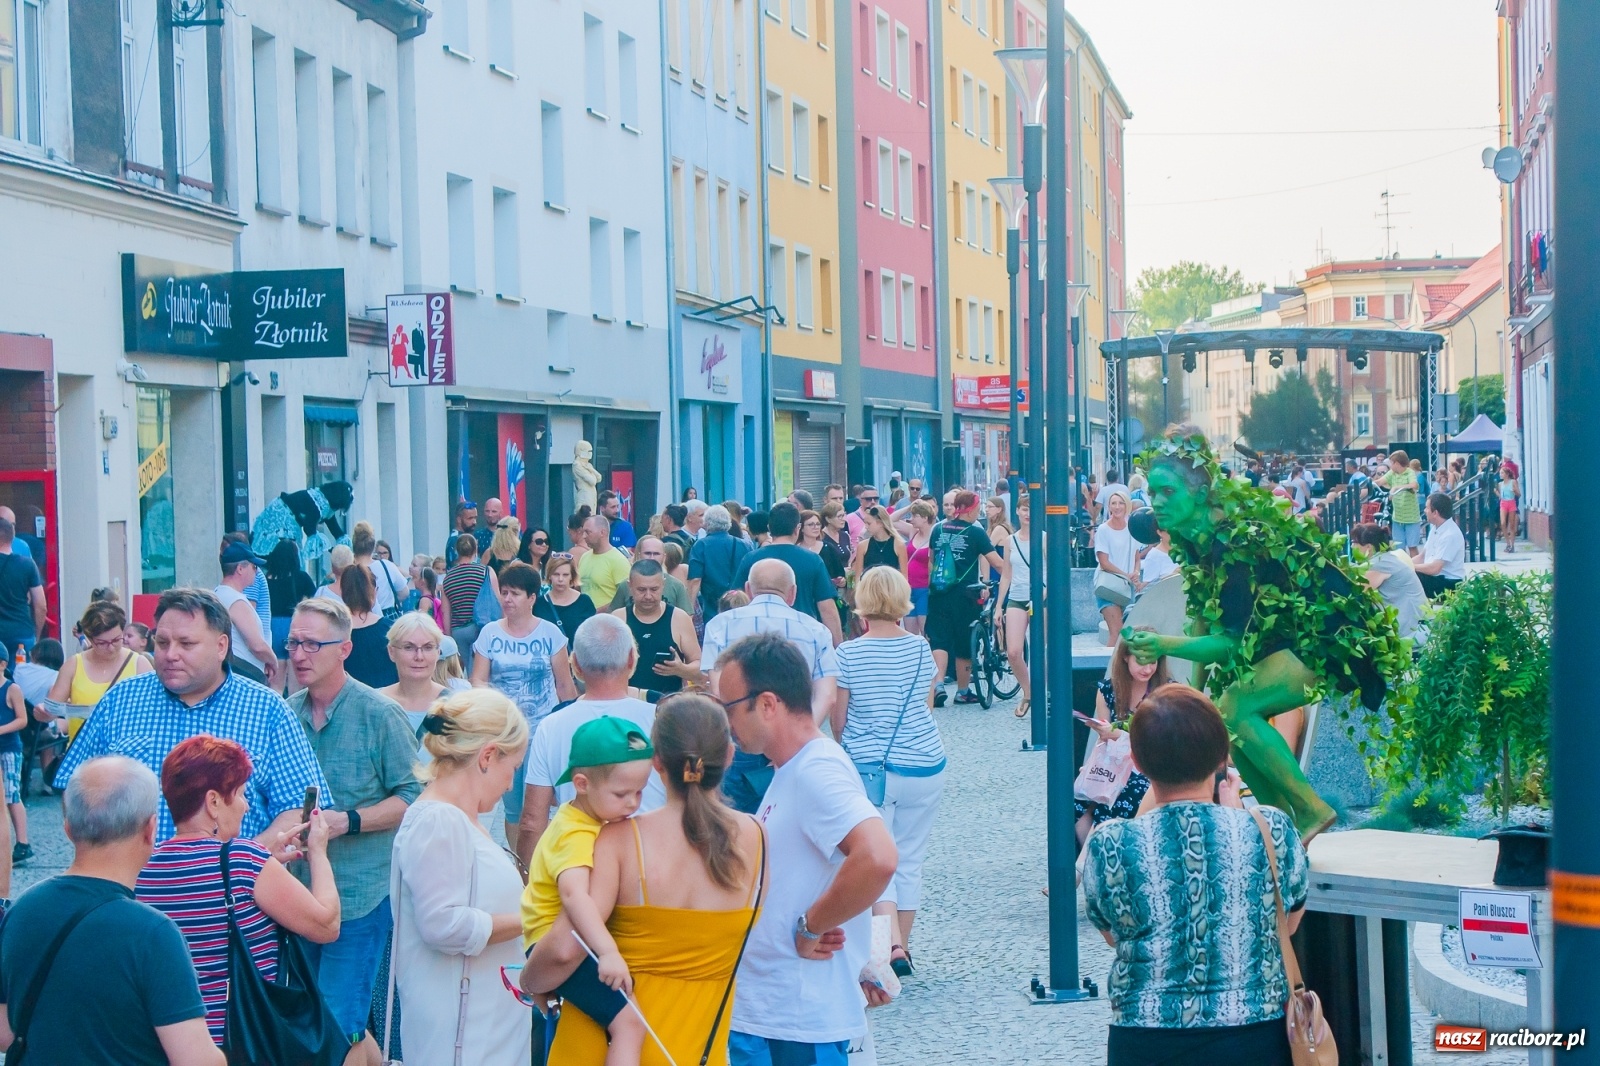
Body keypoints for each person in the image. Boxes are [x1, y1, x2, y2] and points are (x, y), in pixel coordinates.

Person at [523, 693, 767, 1065]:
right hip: (695, 1048)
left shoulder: (619, 840)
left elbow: (565, 948)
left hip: (598, 1046)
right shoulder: (758, 838)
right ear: (729, 755)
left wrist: (530, 981)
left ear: (657, 762)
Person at [1082, 685, 1308, 1065]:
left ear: (1136, 761)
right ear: (1222, 756)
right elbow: (1288, 922)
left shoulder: (1110, 843)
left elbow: (1112, 934)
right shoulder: (1270, 829)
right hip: (1254, 1037)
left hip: (1145, 1039)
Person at [716, 632, 898, 1064]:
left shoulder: (816, 770)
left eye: (729, 708)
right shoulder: (796, 768)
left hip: (797, 1018)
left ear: (767, 704)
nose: (727, 724)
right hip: (780, 1013)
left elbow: (878, 857)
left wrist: (811, 926)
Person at [0, 756, 225, 1065]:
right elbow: (196, 1060)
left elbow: (5, 1032)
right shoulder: (153, 934)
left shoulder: (23, 909)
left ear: (68, 828)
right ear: (150, 830)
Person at [136, 736, 342, 1046]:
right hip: (241, 1038)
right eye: (242, 794)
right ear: (214, 802)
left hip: (169, 1043)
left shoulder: (145, 867)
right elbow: (327, 925)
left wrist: (266, 862)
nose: (246, 806)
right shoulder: (243, 860)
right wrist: (318, 852)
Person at [285, 597, 421, 1060]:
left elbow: (414, 795)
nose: (299, 654)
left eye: (311, 644)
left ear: (344, 649)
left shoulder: (379, 714)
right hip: (298, 894)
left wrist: (350, 821)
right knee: (315, 1023)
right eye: (292, 643)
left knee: (337, 1025)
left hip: (359, 896)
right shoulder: (286, 712)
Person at [390, 688, 533, 1065]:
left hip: (481, 1030)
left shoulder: (457, 817)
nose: (510, 784)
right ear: (488, 756)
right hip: (463, 1038)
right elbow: (443, 925)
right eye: (513, 768)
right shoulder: (440, 819)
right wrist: (534, 918)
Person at [519, 717, 654, 1066]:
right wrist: (608, 952)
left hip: (558, 940)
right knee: (630, 1025)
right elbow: (574, 896)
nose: (633, 803)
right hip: (553, 940)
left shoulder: (583, 819)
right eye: (622, 794)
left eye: (640, 792)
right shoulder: (575, 834)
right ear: (582, 784)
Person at [831, 567, 942, 975]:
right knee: (909, 859)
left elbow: (839, 721)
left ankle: (888, 947)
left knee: (879, 857)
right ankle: (902, 947)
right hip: (925, 762)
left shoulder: (847, 654)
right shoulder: (920, 649)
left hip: (869, 768)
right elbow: (926, 705)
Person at [518, 613, 668, 862]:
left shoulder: (551, 726)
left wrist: (530, 879)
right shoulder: (662, 720)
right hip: (650, 864)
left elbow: (532, 821)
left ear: (575, 664)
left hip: (578, 863)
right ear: (632, 659)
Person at [702, 560, 841, 813]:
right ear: (792, 593)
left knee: (737, 825)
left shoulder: (719, 625)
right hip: (796, 746)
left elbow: (719, 691)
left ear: (748, 589)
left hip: (739, 743)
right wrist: (795, 736)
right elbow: (828, 695)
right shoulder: (816, 630)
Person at [472, 561, 578, 849]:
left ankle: (540, 863)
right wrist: (493, 704)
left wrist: (570, 726)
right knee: (513, 808)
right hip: (505, 734)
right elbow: (478, 679)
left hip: (542, 731)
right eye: (504, 592)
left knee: (541, 806)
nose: (507, 599)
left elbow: (564, 685)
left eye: (515, 593)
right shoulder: (490, 633)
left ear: (532, 597)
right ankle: (520, 867)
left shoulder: (550, 634)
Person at [1074, 628, 1171, 843]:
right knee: (1077, 802)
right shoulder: (1108, 690)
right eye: (1141, 661)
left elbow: (1162, 745)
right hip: (1115, 763)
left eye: (1153, 662)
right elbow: (1104, 738)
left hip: (1151, 766)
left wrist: (1117, 734)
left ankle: (1103, 857)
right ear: (1126, 657)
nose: (1148, 669)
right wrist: (1091, 767)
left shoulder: (1167, 691)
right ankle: (1092, 855)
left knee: (1117, 800)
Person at [925, 490, 1004, 706]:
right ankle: (962, 691)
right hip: (965, 595)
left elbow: (931, 560)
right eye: (978, 508)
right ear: (970, 510)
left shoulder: (938, 529)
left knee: (939, 640)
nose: (979, 511)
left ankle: (938, 684)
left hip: (939, 593)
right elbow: (996, 562)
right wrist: (1014, 574)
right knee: (964, 643)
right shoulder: (976, 532)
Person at [44, 600, 153, 744]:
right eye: (102, 643)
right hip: (83, 750)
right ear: (89, 639)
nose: (111, 648)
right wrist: (43, 713)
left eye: (116, 640)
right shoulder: (73, 665)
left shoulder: (139, 664)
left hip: (125, 752)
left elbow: (153, 712)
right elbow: (52, 711)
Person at [734, 502, 844, 643]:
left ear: (769, 528)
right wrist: (837, 646)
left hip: (758, 637)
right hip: (802, 637)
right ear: (797, 528)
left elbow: (736, 600)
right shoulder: (813, 560)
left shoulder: (751, 559)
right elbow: (827, 608)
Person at [615, 559, 702, 697]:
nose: (648, 596)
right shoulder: (618, 619)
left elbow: (700, 668)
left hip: (668, 704)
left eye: (654, 589)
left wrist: (681, 669)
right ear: (629, 586)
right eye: (641, 590)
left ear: (663, 585)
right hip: (627, 702)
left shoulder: (679, 618)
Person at [379, 612, 470, 737]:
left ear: (438, 652)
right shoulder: (373, 704)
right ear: (391, 652)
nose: (419, 656)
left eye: (428, 647)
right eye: (409, 647)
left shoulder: (455, 708)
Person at [213, 540, 280, 687]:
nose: (256, 571)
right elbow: (257, 645)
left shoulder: (218, 594)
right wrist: (273, 661)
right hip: (246, 674)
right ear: (240, 569)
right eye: (254, 566)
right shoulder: (235, 600)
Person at [1348, 523, 1429, 643]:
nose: (1352, 546)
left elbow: (1357, 592)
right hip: (1419, 626)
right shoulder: (1386, 558)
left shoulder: (1379, 564)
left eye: (1354, 542)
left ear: (1369, 547)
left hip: (1411, 633)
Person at [994, 495, 1035, 717]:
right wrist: (999, 605)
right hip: (1017, 597)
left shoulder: (1043, 538)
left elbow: (1050, 571)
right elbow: (1006, 574)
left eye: (1031, 509)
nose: (1028, 514)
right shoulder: (1010, 541)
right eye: (1024, 509)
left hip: (1039, 597)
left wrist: (1043, 592)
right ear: (1017, 511)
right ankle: (1028, 692)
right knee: (1013, 651)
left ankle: (1044, 691)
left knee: (1041, 649)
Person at [688, 504, 753, 622]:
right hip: (740, 603)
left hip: (712, 606)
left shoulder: (701, 545)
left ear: (707, 523)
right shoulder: (745, 545)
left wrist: (689, 610)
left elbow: (695, 580)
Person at [336, 564, 398, 688]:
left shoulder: (334, 633)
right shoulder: (391, 629)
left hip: (349, 696)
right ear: (374, 591)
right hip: (386, 696)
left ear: (342, 593)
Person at [441, 533, 498, 652]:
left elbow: (445, 612)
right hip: (481, 627)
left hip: (458, 630)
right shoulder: (486, 572)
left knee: (463, 664)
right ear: (476, 549)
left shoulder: (448, 578)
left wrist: (449, 637)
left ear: (456, 550)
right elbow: (498, 601)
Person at [1094, 490, 1138, 647]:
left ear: (1127, 505)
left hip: (1127, 586)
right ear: (1109, 506)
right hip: (1108, 585)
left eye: (1121, 503)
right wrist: (1126, 574)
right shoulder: (1103, 530)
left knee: (1126, 634)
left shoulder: (1132, 528)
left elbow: (1136, 556)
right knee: (1117, 632)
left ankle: (1118, 663)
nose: (1117, 507)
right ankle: (1110, 663)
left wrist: (1135, 572)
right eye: (1113, 503)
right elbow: (1104, 562)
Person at [607, 536, 691, 613]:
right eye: (647, 553)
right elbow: (613, 616)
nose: (652, 558)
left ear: (664, 557)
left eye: (656, 554)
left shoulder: (676, 586)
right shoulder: (625, 585)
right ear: (639, 555)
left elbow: (687, 616)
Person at [264, 539, 315, 660]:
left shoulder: (265, 580)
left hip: (271, 626)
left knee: (276, 664)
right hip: (294, 624)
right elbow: (314, 600)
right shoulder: (302, 577)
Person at [1414, 492, 1466, 600]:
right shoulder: (1436, 527)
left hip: (1449, 584)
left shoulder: (1450, 534)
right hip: (1436, 579)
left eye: (1427, 508)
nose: (1424, 511)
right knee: (1403, 574)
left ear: (1435, 513)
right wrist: (1402, 563)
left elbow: (1435, 568)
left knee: (1408, 577)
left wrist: (1410, 567)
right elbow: (1422, 557)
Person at [352, 521, 409, 616]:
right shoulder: (386, 566)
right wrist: (389, 599)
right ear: (373, 546)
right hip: (386, 615)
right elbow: (404, 592)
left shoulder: (348, 570)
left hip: (357, 617)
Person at [578, 514, 633, 610]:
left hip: (608, 617)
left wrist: (597, 612)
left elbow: (625, 597)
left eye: (588, 532)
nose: (584, 536)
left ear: (602, 533)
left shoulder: (618, 560)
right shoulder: (584, 557)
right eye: (583, 532)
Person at [849, 504, 908, 586]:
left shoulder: (898, 545)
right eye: (865, 523)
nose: (866, 527)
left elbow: (904, 576)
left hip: (891, 589)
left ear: (880, 523)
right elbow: (858, 577)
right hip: (869, 589)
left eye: (869, 523)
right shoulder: (863, 546)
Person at [545, 555, 598, 648]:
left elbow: (593, 635)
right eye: (556, 574)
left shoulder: (584, 602)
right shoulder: (539, 604)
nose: (560, 579)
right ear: (549, 576)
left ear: (572, 576)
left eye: (565, 575)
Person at [902, 500, 936, 638]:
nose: (912, 519)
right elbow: (891, 520)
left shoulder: (934, 535)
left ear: (925, 518)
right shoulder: (913, 531)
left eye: (915, 515)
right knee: (910, 634)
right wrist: (908, 507)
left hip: (924, 588)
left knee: (925, 631)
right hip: (909, 587)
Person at [1378, 450, 1423, 553]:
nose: (1390, 465)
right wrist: (1367, 484)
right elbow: (1380, 481)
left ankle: (1414, 564)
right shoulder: (1392, 473)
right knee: (1399, 549)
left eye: (1391, 463)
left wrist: (1396, 487)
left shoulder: (1409, 472)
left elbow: (1414, 485)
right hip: (1397, 518)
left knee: (1412, 547)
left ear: (1397, 463)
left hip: (1411, 518)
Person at [445, 501, 479, 567]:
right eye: (470, 518)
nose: (474, 522)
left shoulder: (469, 536)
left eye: (475, 518)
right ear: (459, 519)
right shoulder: (455, 540)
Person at [1499, 464, 1520, 551]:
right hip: (1503, 503)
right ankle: (1507, 543)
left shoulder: (1513, 482)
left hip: (1511, 502)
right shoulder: (1500, 484)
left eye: (1502, 473)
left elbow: (1519, 494)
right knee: (1503, 523)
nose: (1501, 475)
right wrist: (1496, 493)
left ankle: (1512, 545)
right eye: (1500, 473)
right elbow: (1500, 495)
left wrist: (1515, 491)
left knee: (1511, 525)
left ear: (1507, 474)